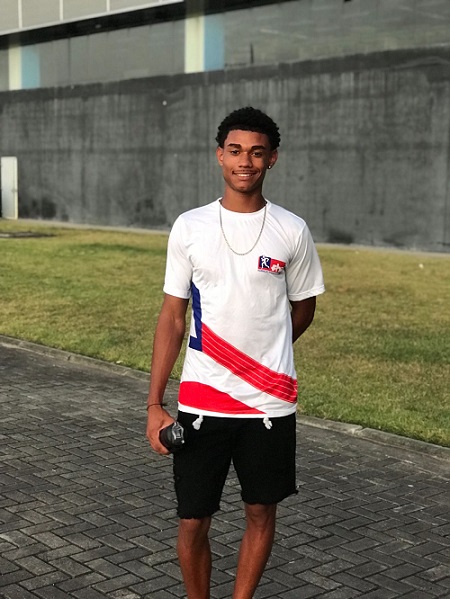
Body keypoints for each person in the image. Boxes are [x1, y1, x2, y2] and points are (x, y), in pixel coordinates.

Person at [146, 106, 325, 599]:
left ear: (272, 159)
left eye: (257, 152)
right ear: (219, 156)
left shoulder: (292, 229)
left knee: (261, 511)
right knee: (192, 519)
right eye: (235, 150)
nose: (245, 161)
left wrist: (266, 353)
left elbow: (304, 307)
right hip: (202, 401)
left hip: (269, 403)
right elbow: (173, 317)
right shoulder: (190, 227)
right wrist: (154, 403)